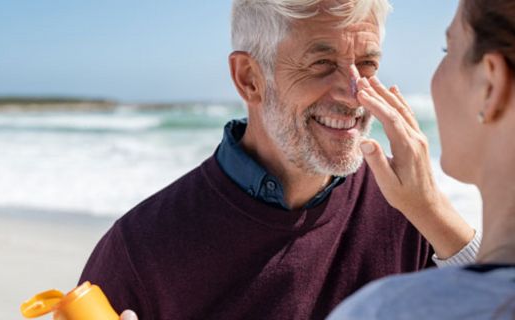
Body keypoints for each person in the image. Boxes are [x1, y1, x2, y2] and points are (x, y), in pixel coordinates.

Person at [79, 1, 481, 319]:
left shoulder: (409, 213)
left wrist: (433, 213)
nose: (352, 91)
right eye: (321, 64)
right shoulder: (141, 249)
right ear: (249, 78)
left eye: (367, 65)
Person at [327, 0, 515, 319]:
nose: (354, 89)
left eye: (447, 50)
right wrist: (427, 209)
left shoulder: (383, 311)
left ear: (490, 84)